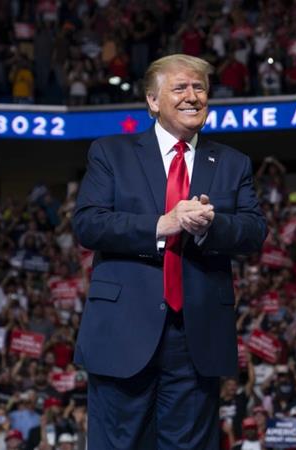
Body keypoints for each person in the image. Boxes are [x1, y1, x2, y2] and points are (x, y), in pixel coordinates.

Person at [73, 53, 267, 448]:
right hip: (122, 334)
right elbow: (88, 223)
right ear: (152, 100)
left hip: (195, 340)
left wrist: (211, 225)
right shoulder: (111, 153)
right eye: (180, 87)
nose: (192, 96)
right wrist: (163, 224)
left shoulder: (233, 162)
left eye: (200, 88)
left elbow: (254, 230)